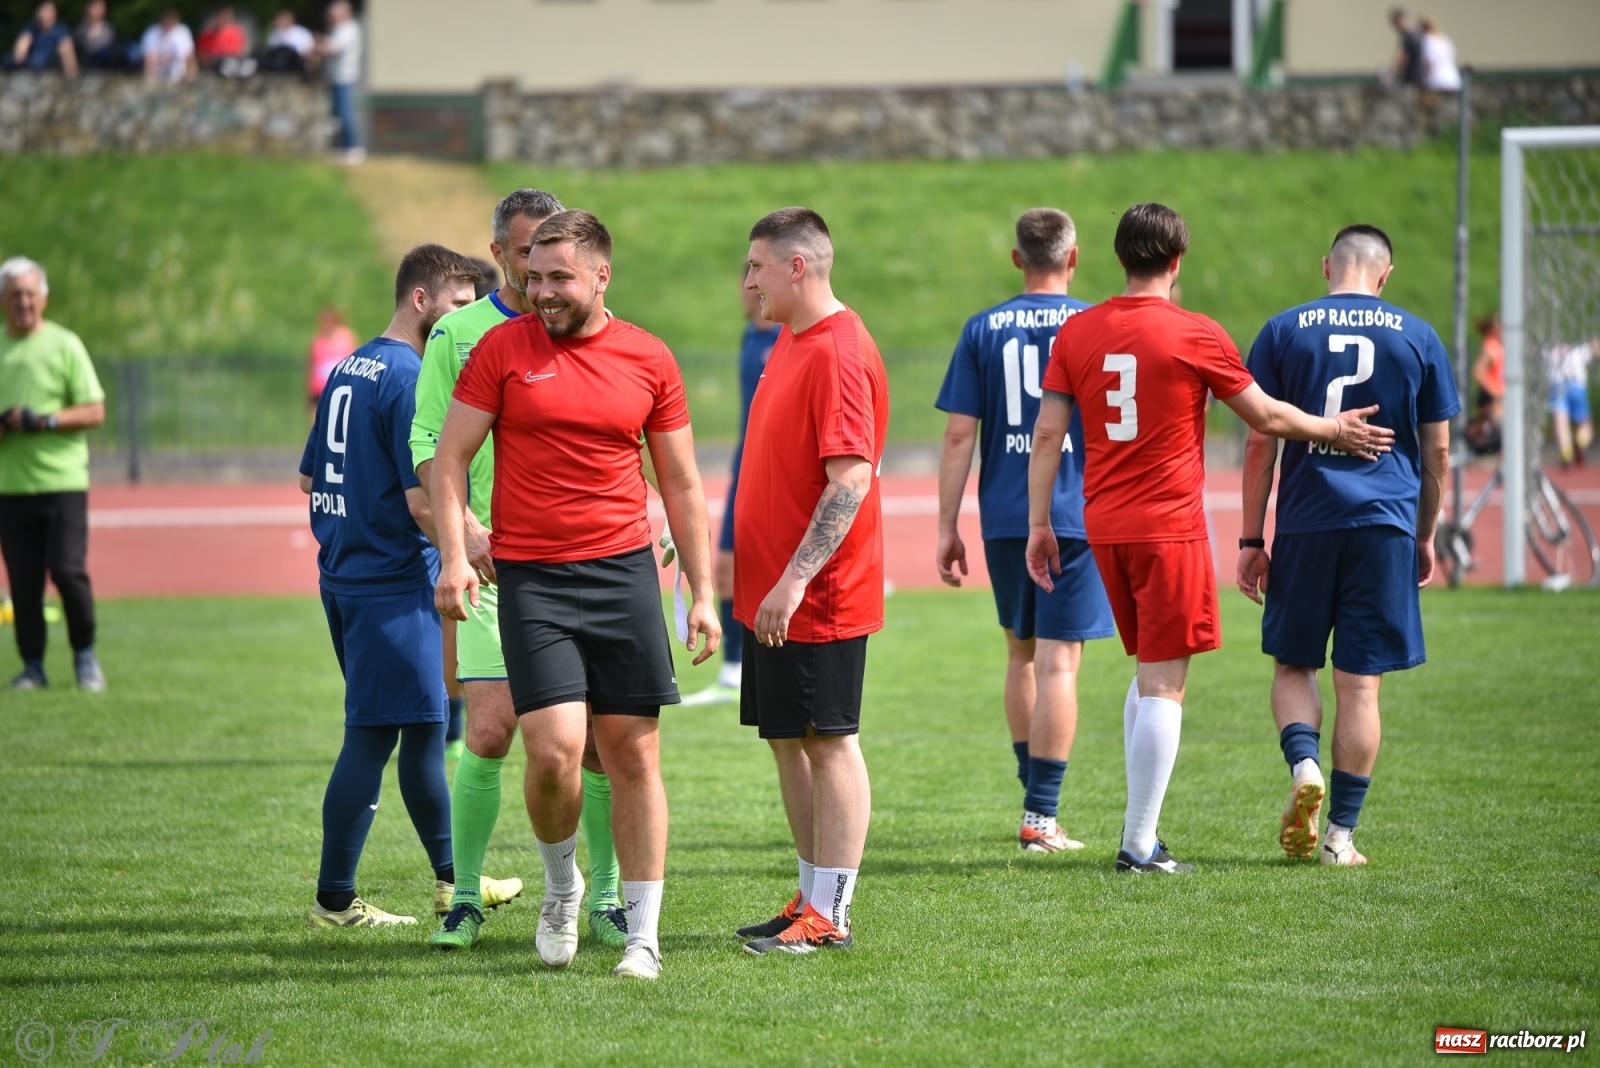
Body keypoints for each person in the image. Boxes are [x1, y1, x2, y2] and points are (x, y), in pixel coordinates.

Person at [1023, 202, 1395, 875]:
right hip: (1169, 527)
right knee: (1165, 683)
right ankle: (1138, 845)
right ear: (1176, 261)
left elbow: (1048, 434)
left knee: (1147, 676)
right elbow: (1266, 416)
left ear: (1120, 258)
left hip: (1103, 524)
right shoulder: (1194, 332)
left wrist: (1039, 524)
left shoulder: (1078, 332)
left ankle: (1143, 838)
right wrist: (1334, 430)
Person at [432, 209, 720, 980]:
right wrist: (456, 556)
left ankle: (643, 936)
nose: (542, 291)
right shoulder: (500, 348)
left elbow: (683, 483)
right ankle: (563, 888)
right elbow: (450, 458)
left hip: (624, 575)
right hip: (533, 579)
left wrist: (700, 589)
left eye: (559, 278)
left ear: (601, 275)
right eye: (534, 277)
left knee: (632, 754)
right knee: (555, 753)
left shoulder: (648, 357)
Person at [412, 189, 629, 956]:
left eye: (555, 255)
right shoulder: (460, 334)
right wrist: (462, 534)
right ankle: (465, 897)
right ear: (501, 252)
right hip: (491, 567)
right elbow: (429, 443)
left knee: (596, 743)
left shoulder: (589, 337)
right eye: (528, 253)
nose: (542, 272)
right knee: (493, 728)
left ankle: (602, 899)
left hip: (583, 565)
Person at [300, 244, 522, 928]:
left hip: (347, 575)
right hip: (389, 584)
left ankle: (452, 880)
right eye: (457, 304)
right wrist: (474, 546)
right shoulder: (406, 374)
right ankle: (336, 898)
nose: (465, 319)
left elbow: (310, 478)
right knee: (374, 736)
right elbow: (425, 493)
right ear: (421, 300)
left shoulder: (350, 365)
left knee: (426, 728)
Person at [1236, 225, 1458, 867]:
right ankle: (1340, 838)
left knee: (1293, 665)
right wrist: (1424, 531)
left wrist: (1253, 538)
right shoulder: (1418, 335)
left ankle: (1304, 764)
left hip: (1307, 522)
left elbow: (1260, 441)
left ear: (1326, 266)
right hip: (1385, 524)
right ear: (1385, 275)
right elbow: (1438, 450)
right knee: (1360, 689)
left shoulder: (1282, 330)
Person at [934, 208, 1114, 853]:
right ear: (1074, 258)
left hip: (1006, 514)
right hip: (1076, 510)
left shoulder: (983, 328)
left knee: (1021, 652)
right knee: (1061, 660)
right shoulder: (1097, 326)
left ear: (1017, 259)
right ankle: (1041, 814)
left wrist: (946, 525)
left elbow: (960, 434)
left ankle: (1032, 794)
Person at [733, 207, 889, 954]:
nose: (748, 281)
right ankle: (811, 894)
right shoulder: (791, 342)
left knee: (829, 741)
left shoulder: (838, 350)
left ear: (797, 267)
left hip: (816, 595)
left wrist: (795, 580)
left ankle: (832, 913)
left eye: (757, 266)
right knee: (788, 740)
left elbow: (851, 479)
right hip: (772, 591)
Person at [0, 256, 106, 693]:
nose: (23, 301)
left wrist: (42, 421)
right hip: (11, 485)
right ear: (3, 301)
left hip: (62, 481)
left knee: (66, 570)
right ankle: (33, 666)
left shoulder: (64, 344)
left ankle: (85, 654)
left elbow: (94, 410)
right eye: (14, 294)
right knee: (23, 581)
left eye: (30, 293)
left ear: (43, 297)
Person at [679, 266, 782, 707]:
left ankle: (749, 667)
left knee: (746, 567)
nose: (743, 291)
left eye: (749, 281)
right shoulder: (751, 338)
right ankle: (733, 669)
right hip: (743, 464)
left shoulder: (782, 341)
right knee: (726, 569)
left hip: (766, 470)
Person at [316, 1, 363, 164]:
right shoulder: (338, 29)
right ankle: (341, 149)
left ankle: (353, 148)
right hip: (336, 77)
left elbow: (333, 49)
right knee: (335, 118)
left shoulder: (349, 29)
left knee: (345, 114)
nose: (332, 18)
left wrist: (318, 46)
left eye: (335, 15)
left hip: (345, 77)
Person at [1545, 338, 1595, 468]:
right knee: (1584, 423)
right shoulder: (1578, 351)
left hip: (1558, 387)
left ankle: (1566, 452)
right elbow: (1594, 348)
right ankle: (1579, 441)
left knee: (1561, 423)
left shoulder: (1550, 352)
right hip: (1576, 387)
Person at [306, 305, 357, 412]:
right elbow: (312, 366)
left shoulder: (346, 337)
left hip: (340, 388)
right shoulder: (317, 340)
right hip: (319, 389)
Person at [1466, 312, 1503, 455]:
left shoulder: (1500, 346)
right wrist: (1495, 391)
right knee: (1497, 430)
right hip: (1491, 398)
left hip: (1499, 398)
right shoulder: (1490, 346)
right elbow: (1478, 371)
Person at [10, 1, 77, 75]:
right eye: (43, 11)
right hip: (30, 64)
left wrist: (71, 73)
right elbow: (21, 49)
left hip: (49, 65)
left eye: (48, 11)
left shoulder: (60, 31)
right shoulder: (31, 28)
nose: (44, 15)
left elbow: (67, 51)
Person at [140, 8, 195, 83]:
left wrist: (190, 75)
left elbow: (188, 55)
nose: (168, 24)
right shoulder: (152, 32)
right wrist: (150, 77)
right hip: (158, 67)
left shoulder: (182, 32)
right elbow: (149, 58)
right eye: (167, 21)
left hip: (177, 68)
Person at [197, 6, 250, 75]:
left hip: (233, 64)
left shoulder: (237, 32)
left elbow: (243, 50)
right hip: (213, 66)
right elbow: (201, 54)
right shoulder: (207, 34)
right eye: (221, 16)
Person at [261, 9, 314, 75]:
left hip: (297, 64)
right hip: (277, 65)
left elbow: (308, 50)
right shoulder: (274, 34)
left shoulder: (302, 33)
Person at [74, 0, 120, 71]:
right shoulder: (80, 30)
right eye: (96, 6)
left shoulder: (109, 30)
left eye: (101, 6)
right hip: (85, 68)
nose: (98, 9)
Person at [1418, 17, 1461, 93]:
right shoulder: (1445, 39)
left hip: (1436, 80)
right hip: (1451, 78)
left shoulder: (1428, 40)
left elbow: (1429, 61)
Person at [1387, 8, 1422, 87]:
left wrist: (1392, 72)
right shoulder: (1417, 33)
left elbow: (1405, 58)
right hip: (1420, 76)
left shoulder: (1409, 36)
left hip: (1415, 77)